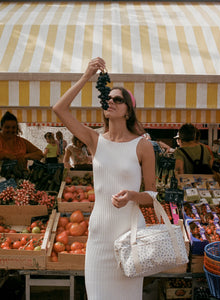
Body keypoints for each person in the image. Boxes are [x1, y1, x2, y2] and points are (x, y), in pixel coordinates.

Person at [53, 57, 156, 300]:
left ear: (128, 110)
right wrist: (86, 76)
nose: (110, 101)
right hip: (99, 237)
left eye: (117, 99)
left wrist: (132, 195)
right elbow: (59, 108)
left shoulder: (142, 146)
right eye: (108, 98)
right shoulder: (94, 140)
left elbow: (152, 196)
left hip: (130, 236)